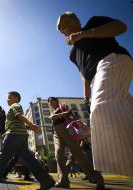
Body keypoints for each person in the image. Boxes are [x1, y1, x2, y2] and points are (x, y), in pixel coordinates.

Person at [56, 11, 133, 176]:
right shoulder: (72, 54)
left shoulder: (93, 22)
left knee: (102, 109)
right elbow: (84, 73)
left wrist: (84, 34)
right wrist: (87, 97)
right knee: (125, 111)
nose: (65, 27)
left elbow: (121, 26)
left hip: (112, 60)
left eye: (68, 22)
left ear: (77, 20)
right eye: (62, 28)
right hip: (95, 78)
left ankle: (126, 165)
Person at [0, 91, 55, 190]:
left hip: (13, 135)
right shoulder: (15, 107)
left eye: (9, 97)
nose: (7, 99)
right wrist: (29, 126)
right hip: (21, 135)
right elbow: (20, 122)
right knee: (28, 159)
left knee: (3, 157)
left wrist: (32, 125)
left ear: (15, 98)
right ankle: (46, 180)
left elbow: (19, 115)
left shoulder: (15, 105)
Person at [48, 97, 104, 189]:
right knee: (58, 154)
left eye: (52, 101)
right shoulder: (52, 112)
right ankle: (63, 180)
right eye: (49, 102)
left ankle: (97, 178)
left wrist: (58, 115)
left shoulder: (63, 106)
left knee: (78, 155)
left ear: (56, 101)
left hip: (67, 130)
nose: (50, 103)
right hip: (56, 133)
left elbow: (69, 112)